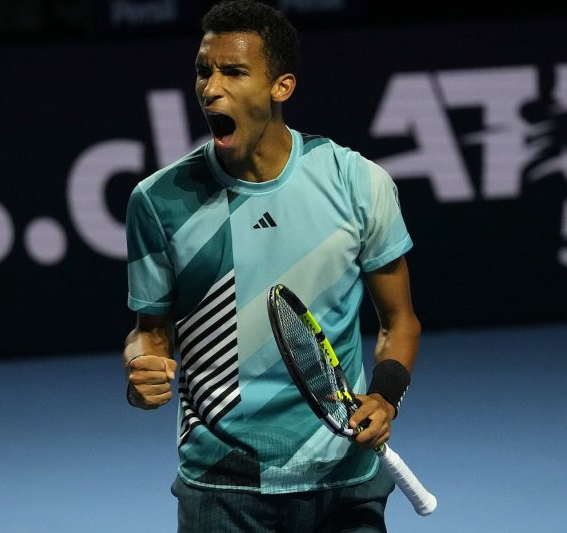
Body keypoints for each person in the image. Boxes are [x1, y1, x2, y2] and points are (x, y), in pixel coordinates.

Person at [122, 1, 421, 530]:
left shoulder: (357, 182)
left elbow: (399, 322)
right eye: (203, 70)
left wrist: (386, 396)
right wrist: (142, 368)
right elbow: (151, 333)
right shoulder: (157, 201)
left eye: (233, 72)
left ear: (281, 87)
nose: (210, 88)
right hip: (223, 486)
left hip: (344, 478)